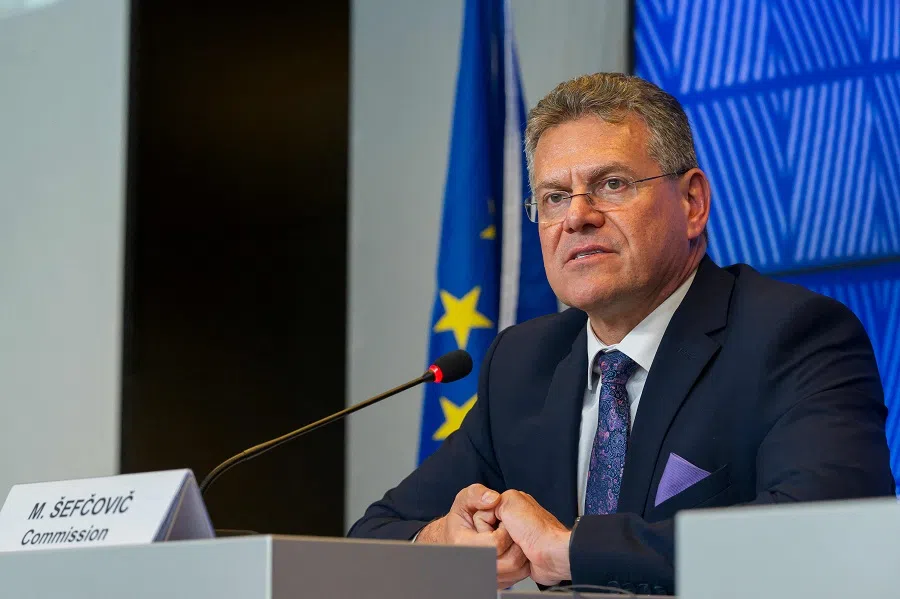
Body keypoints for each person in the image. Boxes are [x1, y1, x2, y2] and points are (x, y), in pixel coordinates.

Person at [347, 73, 895, 594]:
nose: (577, 217)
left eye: (611, 184)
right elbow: (372, 535)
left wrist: (569, 550)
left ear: (693, 203)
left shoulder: (793, 336)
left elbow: (828, 539)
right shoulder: (522, 363)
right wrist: (445, 539)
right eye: (554, 197)